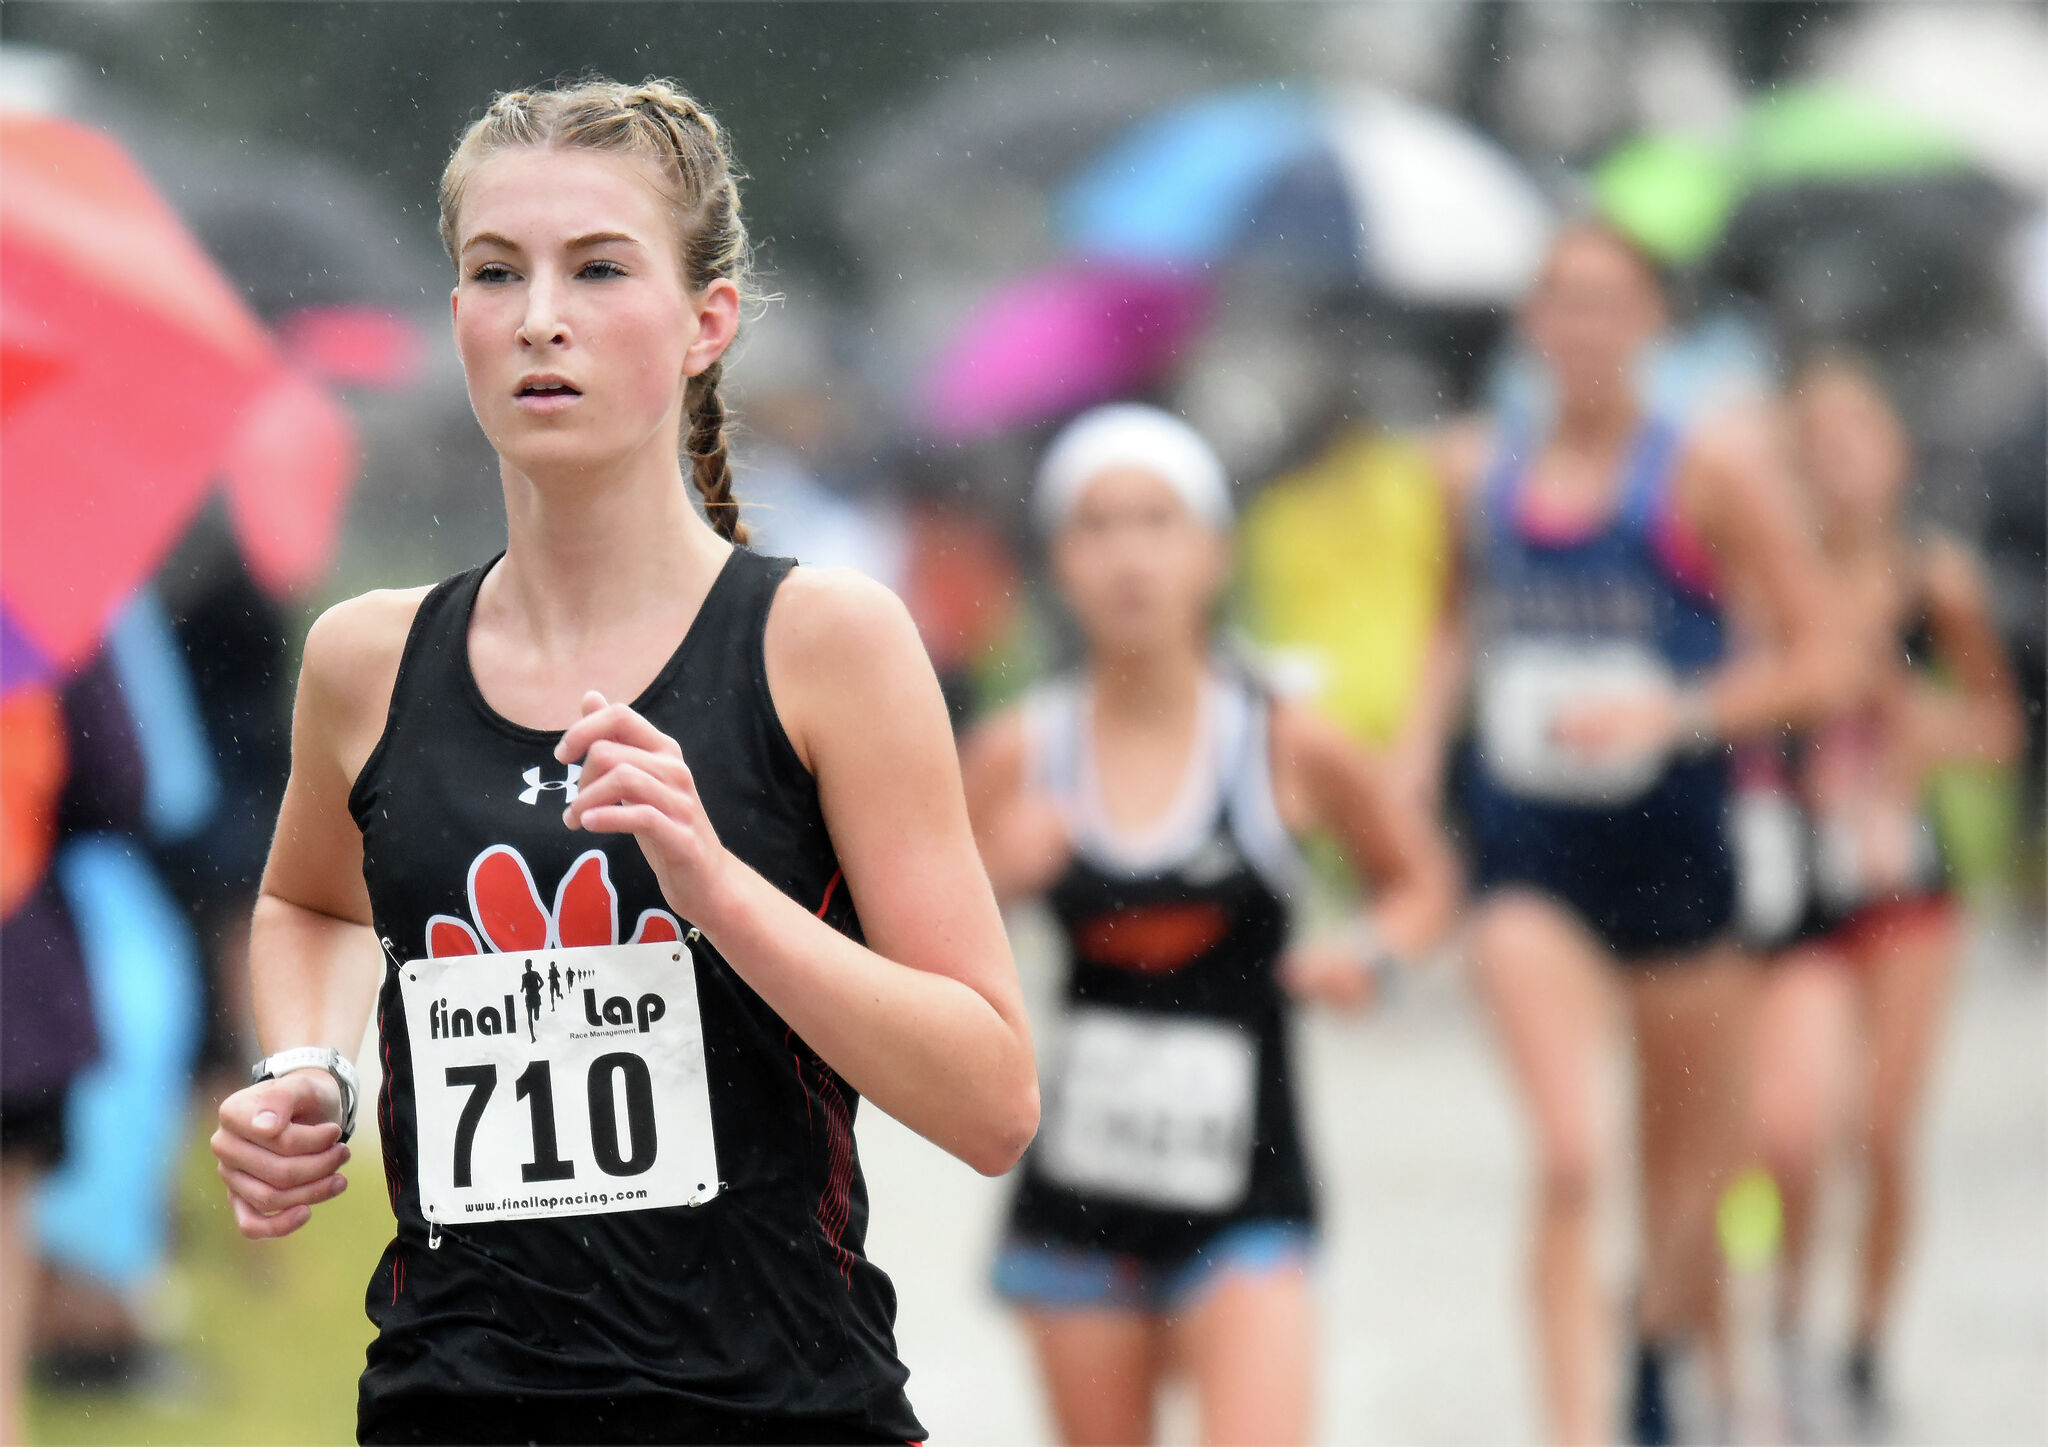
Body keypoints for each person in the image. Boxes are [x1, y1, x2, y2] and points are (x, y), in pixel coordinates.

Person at [207, 77, 1038, 1446]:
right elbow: (314, 899)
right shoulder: (368, 660)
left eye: (598, 268)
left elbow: (994, 1098)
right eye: (494, 271)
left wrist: (720, 892)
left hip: (772, 1403)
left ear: (709, 321)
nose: (540, 314)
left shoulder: (822, 643)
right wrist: (310, 1062)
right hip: (452, 1397)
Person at [1412, 222, 1848, 1445]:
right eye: (1561, 302)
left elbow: (1825, 659)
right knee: (1566, 1152)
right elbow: (1451, 634)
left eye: (1610, 303)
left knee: (1686, 1166)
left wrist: (1679, 708)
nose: (1584, 328)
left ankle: (1656, 1334)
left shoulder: (1707, 473)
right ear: (1528, 327)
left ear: (1654, 324)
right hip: (1527, 851)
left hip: (1675, 849)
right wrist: (1402, 786)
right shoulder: (1471, 473)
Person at [962, 405, 1459, 1446]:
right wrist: (996, 877)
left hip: (1251, 1191)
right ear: (1059, 559)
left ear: (1212, 552)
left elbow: (1419, 880)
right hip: (1079, 1197)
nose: (1128, 555)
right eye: (1097, 527)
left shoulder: (1285, 741)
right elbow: (913, 944)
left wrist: (1368, 951)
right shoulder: (1018, 752)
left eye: (1156, 520)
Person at [1749, 357, 2023, 1437]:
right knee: (1787, 1126)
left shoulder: (1933, 583)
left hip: (1902, 882)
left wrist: (1912, 716)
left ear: (1896, 458)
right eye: (1813, 448)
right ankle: (1777, 1309)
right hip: (1797, 878)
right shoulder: (1768, 581)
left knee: (1880, 1128)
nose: (1836, 468)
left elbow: (1996, 730)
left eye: (1853, 444)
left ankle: (1861, 1335)